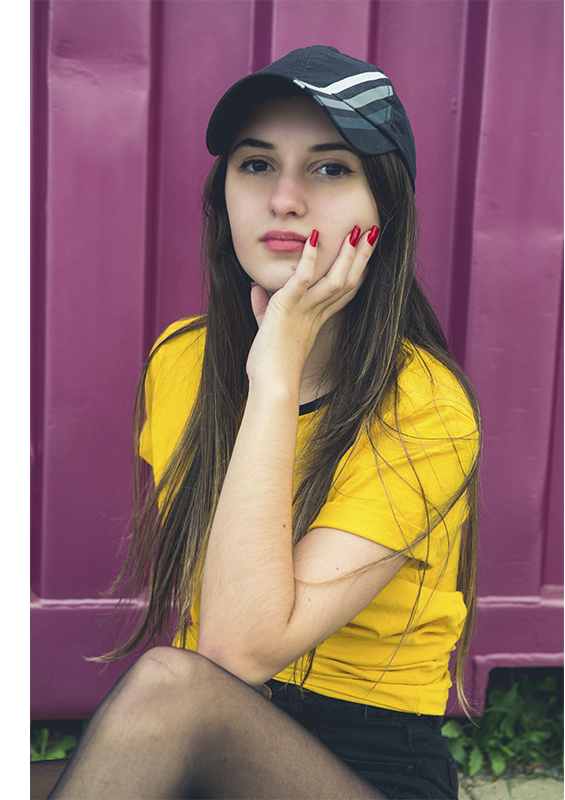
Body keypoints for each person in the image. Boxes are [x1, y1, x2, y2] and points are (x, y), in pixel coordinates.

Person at [41, 45, 480, 799]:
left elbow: (238, 650)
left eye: (330, 168)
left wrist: (275, 376)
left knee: (171, 686)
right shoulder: (181, 363)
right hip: (201, 731)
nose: (284, 199)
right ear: (224, 199)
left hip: (367, 766)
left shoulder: (427, 404)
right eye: (255, 165)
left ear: (386, 210)